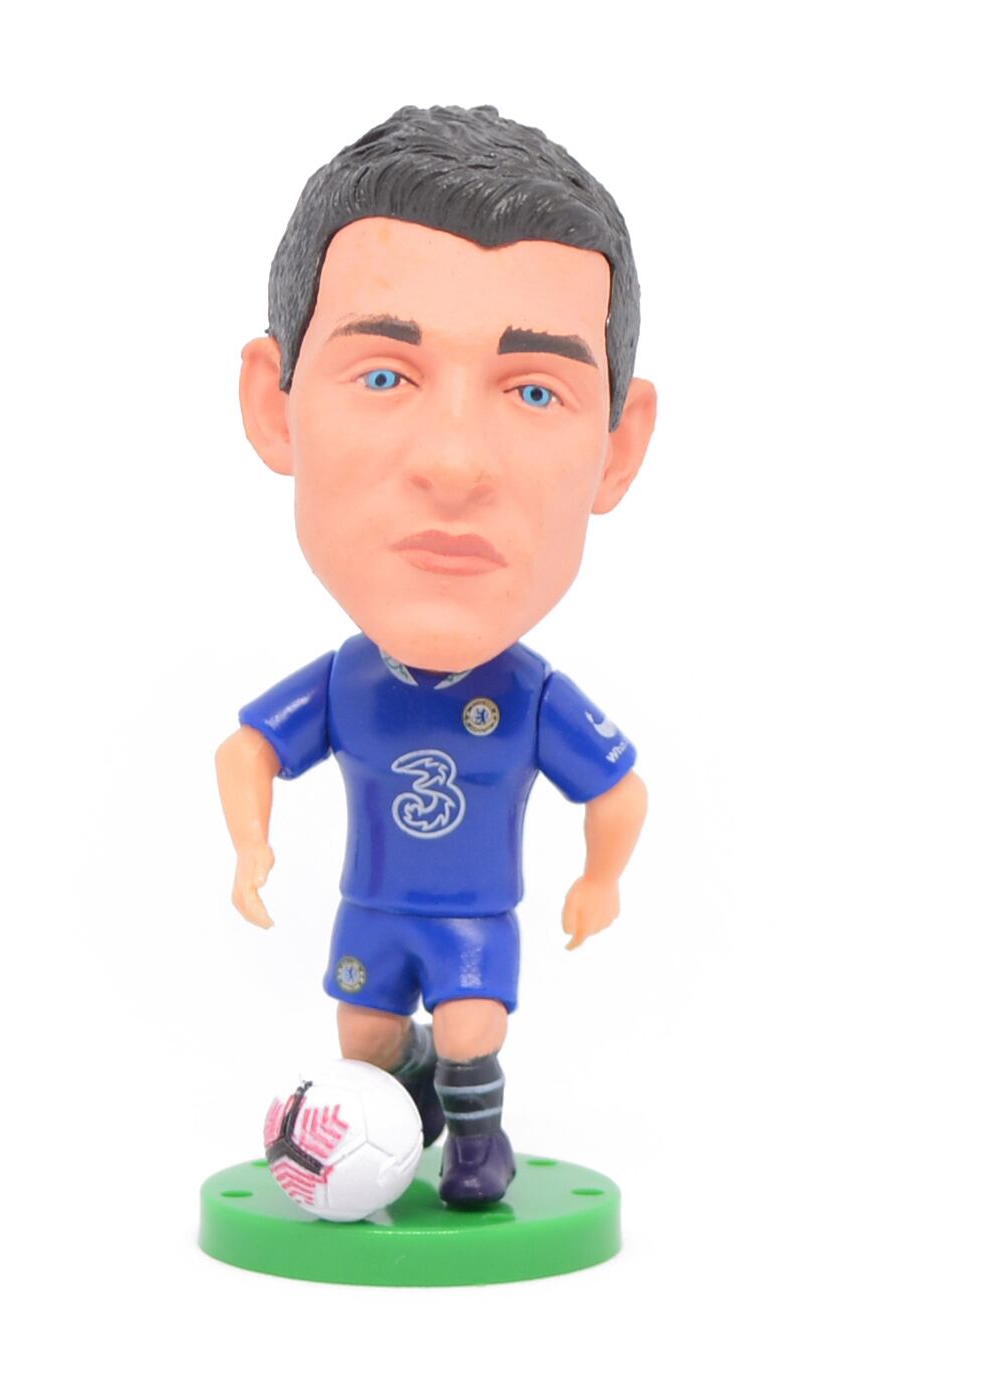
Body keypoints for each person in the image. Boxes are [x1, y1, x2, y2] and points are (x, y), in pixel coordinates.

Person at [215, 104, 655, 1206]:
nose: (455, 464)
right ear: (275, 407)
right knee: (363, 1038)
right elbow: (248, 748)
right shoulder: (345, 682)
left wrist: (600, 878)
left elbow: (616, 786)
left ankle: (473, 1148)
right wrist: (251, 846)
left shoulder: (531, 696)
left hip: (473, 920)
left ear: (618, 448)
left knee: (468, 1027)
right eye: (384, 376)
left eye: (536, 390)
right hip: (368, 908)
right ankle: (381, 1122)